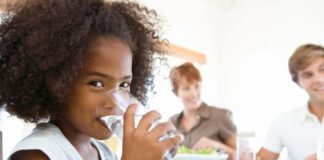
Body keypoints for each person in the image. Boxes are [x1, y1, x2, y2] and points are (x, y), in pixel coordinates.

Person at [0, 0, 183, 160]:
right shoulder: (37, 154)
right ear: (57, 83)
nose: (114, 102)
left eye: (124, 85)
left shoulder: (103, 152)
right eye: (96, 83)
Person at [256, 44, 324, 160]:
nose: (319, 79)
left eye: (323, 70)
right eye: (307, 75)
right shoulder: (285, 121)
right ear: (298, 82)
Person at [168, 62, 237, 159]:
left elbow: (242, 156)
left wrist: (216, 146)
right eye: (186, 88)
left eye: (197, 86)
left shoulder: (221, 116)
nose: (194, 94)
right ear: (176, 92)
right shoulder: (171, 123)